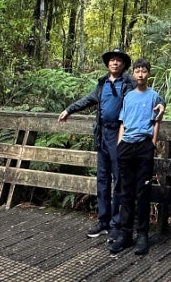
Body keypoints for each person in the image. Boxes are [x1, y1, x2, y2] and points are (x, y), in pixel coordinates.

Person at [58, 48, 134, 239]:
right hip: (102, 135)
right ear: (108, 64)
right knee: (102, 179)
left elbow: (143, 96)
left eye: (118, 60)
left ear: (123, 64)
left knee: (119, 180)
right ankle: (103, 221)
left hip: (120, 135)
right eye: (112, 60)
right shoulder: (102, 84)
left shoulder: (129, 83)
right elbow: (87, 100)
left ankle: (117, 223)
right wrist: (69, 110)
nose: (115, 63)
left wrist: (160, 104)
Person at [108, 58, 165, 256]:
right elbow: (122, 122)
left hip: (143, 147)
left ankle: (142, 235)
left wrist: (153, 143)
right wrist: (119, 144)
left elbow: (158, 119)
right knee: (126, 192)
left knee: (143, 192)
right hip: (126, 147)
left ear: (148, 74)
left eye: (144, 71)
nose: (140, 74)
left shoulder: (154, 96)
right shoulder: (129, 97)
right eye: (137, 71)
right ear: (133, 74)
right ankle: (125, 234)